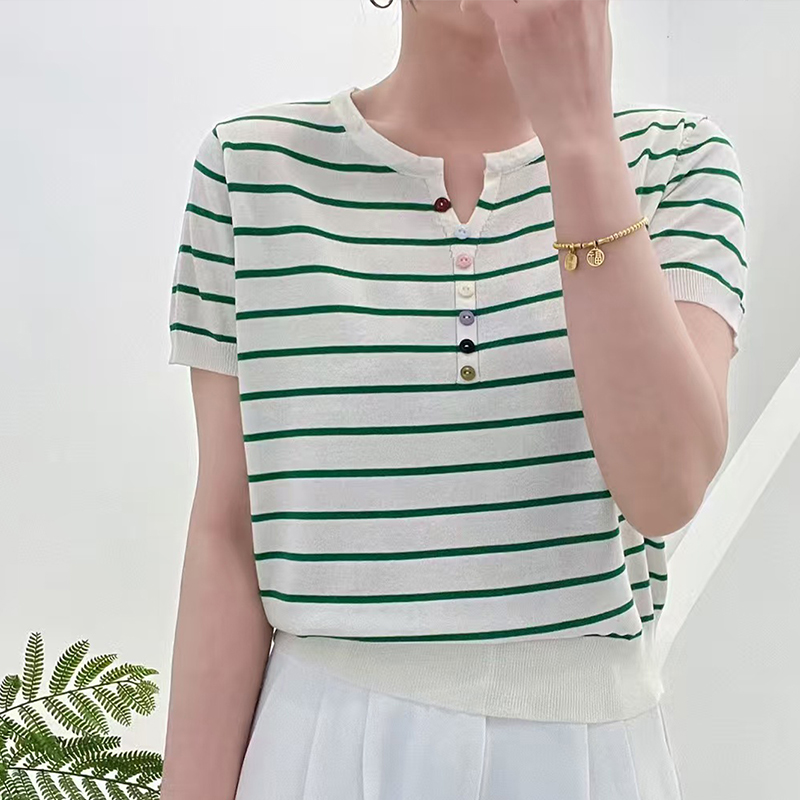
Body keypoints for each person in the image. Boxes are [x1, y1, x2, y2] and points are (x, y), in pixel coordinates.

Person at [161, 1, 748, 798]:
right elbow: (229, 533)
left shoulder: (676, 159)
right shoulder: (250, 169)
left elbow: (666, 489)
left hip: (585, 753)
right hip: (321, 746)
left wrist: (579, 138)